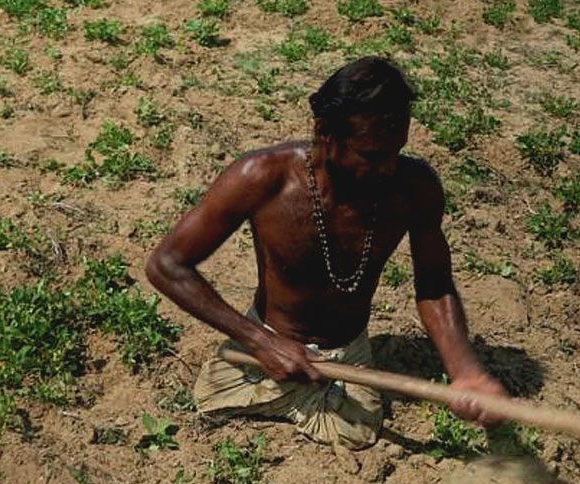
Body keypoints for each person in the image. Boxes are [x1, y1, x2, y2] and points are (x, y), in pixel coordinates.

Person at [145, 56, 507, 451]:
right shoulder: (263, 178)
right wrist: (260, 342)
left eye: (395, 151)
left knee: (357, 431)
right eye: (370, 156)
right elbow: (167, 264)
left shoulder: (413, 187)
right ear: (325, 133)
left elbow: (435, 285)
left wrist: (464, 370)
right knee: (212, 398)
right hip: (267, 342)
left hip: (347, 354)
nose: (387, 168)